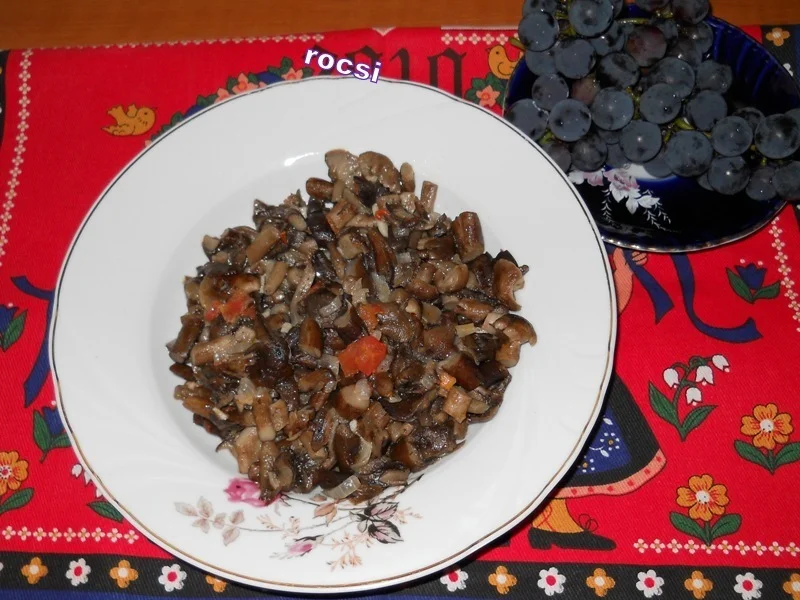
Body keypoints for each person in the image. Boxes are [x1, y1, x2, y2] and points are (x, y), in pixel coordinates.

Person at [528, 248, 666, 550]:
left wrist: (621, 269)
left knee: (575, 455)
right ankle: (548, 521)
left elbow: (606, 313)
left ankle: (549, 521)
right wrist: (622, 271)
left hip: (579, 373)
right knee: (565, 453)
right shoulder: (563, 285)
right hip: (567, 381)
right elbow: (606, 311)